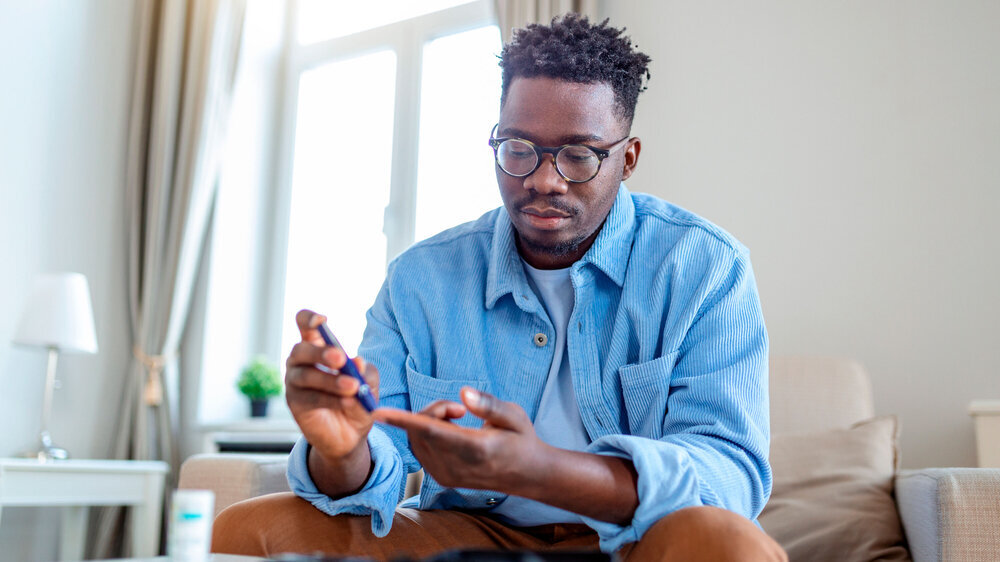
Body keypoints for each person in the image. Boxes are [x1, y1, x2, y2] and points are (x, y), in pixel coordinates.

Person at [213, 14, 786, 562]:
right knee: (245, 529)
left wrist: (540, 470)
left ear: (628, 158)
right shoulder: (422, 278)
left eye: (580, 156)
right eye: (518, 149)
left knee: (730, 546)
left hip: (636, 540)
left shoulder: (705, 267)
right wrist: (342, 451)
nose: (543, 179)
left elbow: (727, 473)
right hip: (471, 535)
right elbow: (376, 457)